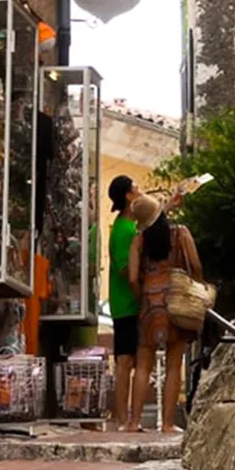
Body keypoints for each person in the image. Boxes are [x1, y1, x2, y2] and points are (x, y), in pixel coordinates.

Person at [127, 193, 203, 434]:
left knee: (143, 365)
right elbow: (196, 264)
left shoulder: (138, 241)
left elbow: (131, 277)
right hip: (175, 301)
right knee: (173, 365)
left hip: (150, 304)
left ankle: (134, 422)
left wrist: (143, 294)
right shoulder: (180, 233)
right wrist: (197, 286)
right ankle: (168, 424)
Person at [106, 174, 143, 432]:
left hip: (129, 303)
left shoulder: (130, 225)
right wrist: (140, 290)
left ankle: (126, 417)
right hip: (126, 304)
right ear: (129, 196)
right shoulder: (123, 230)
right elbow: (124, 270)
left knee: (130, 359)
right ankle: (121, 418)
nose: (140, 188)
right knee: (124, 361)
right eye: (136, 186)